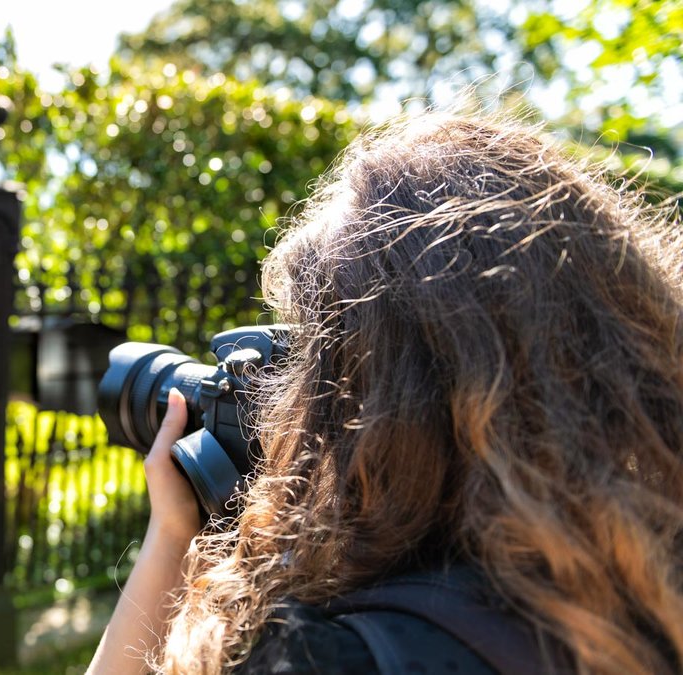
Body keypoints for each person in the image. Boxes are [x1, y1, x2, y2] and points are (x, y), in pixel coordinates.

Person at [87, 113, 683, 674]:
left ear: (373, 401)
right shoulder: (646, 583)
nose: (294, 398)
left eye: (317, 360)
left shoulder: (330, 654)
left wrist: (174, 536)